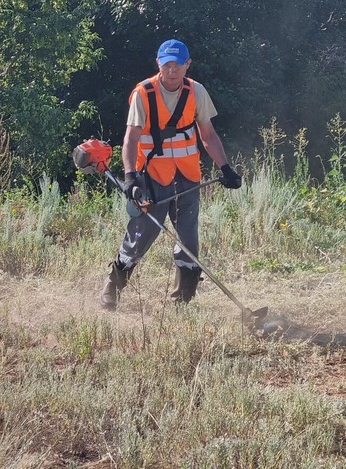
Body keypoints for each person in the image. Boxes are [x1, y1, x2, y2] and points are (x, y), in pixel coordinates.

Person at [99, 39, 242, 310]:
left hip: (187, 176)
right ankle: (112, 288)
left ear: (187, 64)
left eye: (178, 65)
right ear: (159, 64)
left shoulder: (196, 92)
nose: (172, 70)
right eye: (167, 65)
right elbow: (131, 139)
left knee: (188, 240)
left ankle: (182, 303)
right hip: (152, 178)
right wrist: (130, 177)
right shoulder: (144, 93)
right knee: (140, 237)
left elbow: (208, 135)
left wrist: (225, 168)